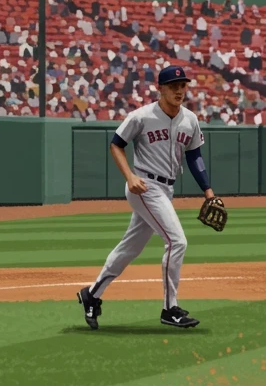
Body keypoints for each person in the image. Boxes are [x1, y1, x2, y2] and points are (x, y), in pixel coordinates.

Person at [76, 65, 214, 330]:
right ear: (159, 88)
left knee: (130, 247)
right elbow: (116, 144)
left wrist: (208, 190)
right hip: (144, 186)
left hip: (166, 189)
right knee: (177, 242)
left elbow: (194, 155)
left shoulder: (190, 120)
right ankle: (169, 308)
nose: (179, 90)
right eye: (173, 86)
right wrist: (129, 176)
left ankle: (91, 294)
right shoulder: (141, 116)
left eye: (183, 85)